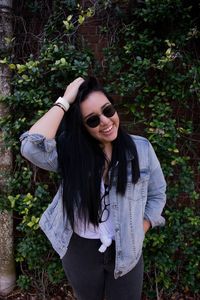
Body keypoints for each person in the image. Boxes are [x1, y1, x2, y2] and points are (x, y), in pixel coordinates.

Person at [20, 76, 166, 300]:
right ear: (82, 126)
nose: (106, 122)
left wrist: (143, 225)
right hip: (80, 250)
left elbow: (157, 194)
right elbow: (31, 146)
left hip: (127, 247)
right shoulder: (70, 152)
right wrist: (65, 100)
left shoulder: (141, 149)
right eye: (92, 120)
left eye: (108, 110)